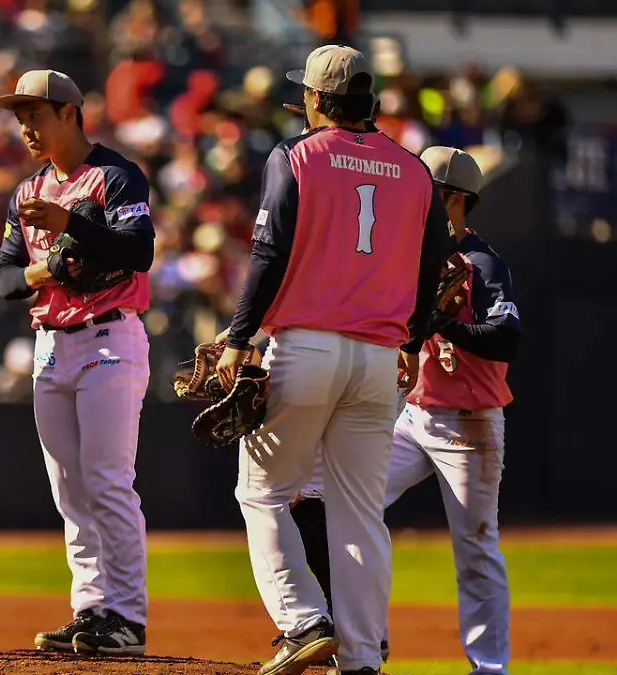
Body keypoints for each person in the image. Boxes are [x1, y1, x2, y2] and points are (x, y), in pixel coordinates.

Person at [213, 45, 455, 675]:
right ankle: (363, 656)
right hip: (380, 359)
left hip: (307, 347)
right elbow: (431, 268)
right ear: (370, 103)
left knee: (262, 492)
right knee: (359, 511)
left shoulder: (295, 156)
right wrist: (412, 341)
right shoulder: (414, 169)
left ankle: (302, 621)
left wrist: (239, 336)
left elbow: (268, 253)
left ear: (316, 100)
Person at [297, 147, 518, 675]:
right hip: (414, 417)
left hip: (470, 423)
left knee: (476, 552)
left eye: (429, 192)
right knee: (319, 494)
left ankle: (490, 669)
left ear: (456, 201)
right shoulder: (406, 255)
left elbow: (506, 340)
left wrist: (439, 325)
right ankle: (366, 639)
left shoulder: (482, 264)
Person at [0, 69, 155, 657]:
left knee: (109, 482)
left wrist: (73, 227)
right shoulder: (28, 190)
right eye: (20, 117)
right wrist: (46, 268)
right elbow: (8, 279)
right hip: (51, 346)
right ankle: (90, 609)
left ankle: (128, 618)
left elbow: (140, 252)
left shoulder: (115, 175)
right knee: (70, 489)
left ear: (69, 113)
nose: (26, 128)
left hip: (110, 338)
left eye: (35, 114)